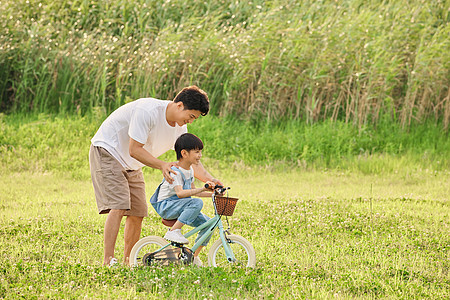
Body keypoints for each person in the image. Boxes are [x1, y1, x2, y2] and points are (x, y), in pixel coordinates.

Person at [89, 86, 222, 266]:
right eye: (191, 116)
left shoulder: (179, 129)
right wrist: (162, 165)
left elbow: (192, 161)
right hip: (108, 150)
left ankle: (129, 261)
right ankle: (108, 260)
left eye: (194, 119)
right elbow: (134, 149)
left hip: (132, 163)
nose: (190, 121)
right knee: (119, 205)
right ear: (180, 105)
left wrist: (210, 180)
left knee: (137, 212)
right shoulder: (148, 111)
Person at [149, 133, 216, 267]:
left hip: (181, 205)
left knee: (209, 225)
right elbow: (180, 193)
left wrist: (213, 194)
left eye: (200, 152)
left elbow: (193, 191)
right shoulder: (175, 171)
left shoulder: (190, 170)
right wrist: (202, 189)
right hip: (166, 205)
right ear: (184, 153)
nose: (200, 155)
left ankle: (193, 257)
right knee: (196, 203)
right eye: (197, 152)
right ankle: (174, 231)